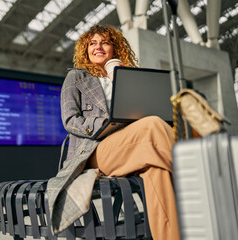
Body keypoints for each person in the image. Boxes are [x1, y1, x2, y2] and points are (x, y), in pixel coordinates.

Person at [47, 24, 180, 240]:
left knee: (159, 173)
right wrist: (109, 122)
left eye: (105, 42)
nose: (98, 46)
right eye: (92, 43)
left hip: (136, 145)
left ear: (115, 48)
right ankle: (200, 176)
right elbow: (70, 121)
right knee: (154, 125)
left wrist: (119, 78)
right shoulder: (77, 78)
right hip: (95, 150)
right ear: (85, 49)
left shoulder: (127, 77)